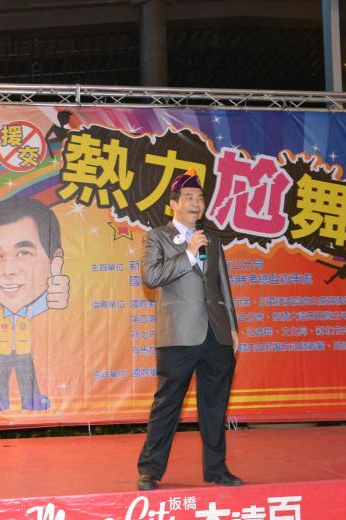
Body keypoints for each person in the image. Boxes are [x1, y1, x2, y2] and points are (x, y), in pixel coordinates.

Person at [136, 168, 241, 491]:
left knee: (215, 406)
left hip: (217, 335)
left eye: (200, 198)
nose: (196, 203)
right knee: (167, 404)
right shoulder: (157, 237)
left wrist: (233, 327)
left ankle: (217, 469)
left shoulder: (212, 238)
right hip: (178, 336)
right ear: (173, 204)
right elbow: (151, 277)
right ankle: (150, 470)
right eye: (189, 197)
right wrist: (189, 253)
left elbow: (222, 285)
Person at [0, 197, 70, 411]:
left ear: (54, 259)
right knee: (0, 374)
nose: (8, 270)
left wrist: (57, 287)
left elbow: (51, 301)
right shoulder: (0, 316)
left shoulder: (34, 309)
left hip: (24, 352)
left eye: (24, 253)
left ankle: (32, 399)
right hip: (3, 353)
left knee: (27, 375)